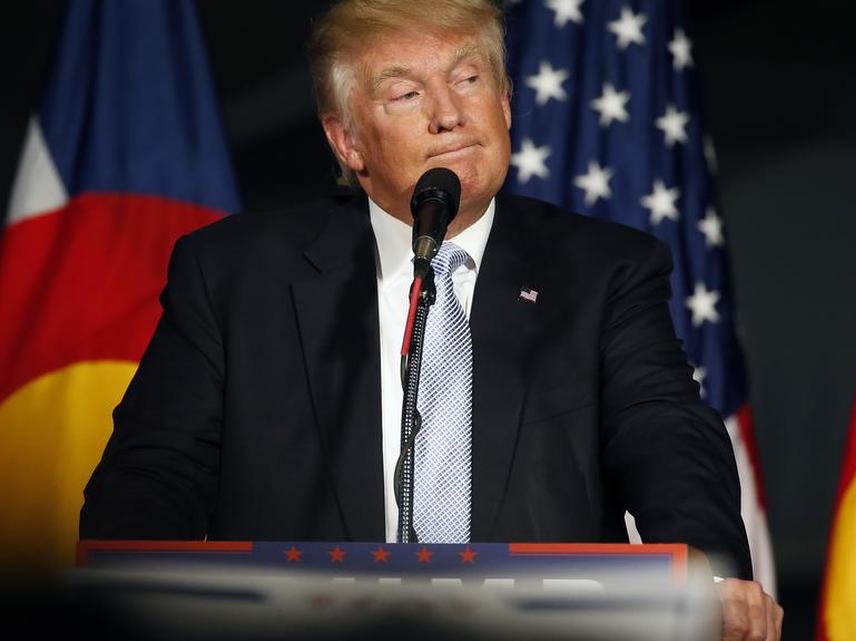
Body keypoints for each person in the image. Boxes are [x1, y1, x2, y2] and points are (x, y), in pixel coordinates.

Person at [80, 0, 781, 638]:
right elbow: (154, 477)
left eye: (468, 80)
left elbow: (667, 438)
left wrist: (710, 578)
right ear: (347, 142)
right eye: (406, 94)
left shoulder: (603, 271)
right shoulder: (234, 275)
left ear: (506, 103)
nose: (449, 114)